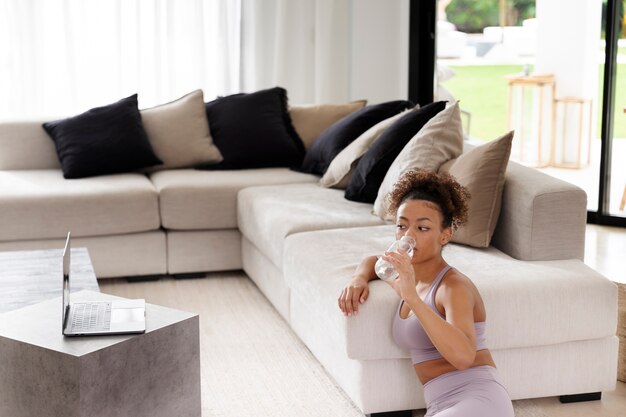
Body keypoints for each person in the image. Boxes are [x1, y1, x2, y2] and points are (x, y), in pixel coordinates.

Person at [337, 169, 513, 417]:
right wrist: (358, 278)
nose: (408, 236)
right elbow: (375, 262)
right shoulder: (405, 275)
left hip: (479, 402)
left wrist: (412, 298)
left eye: (422, 228)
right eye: (401, 226)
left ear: (445, 234)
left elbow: (463, 357)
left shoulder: (453, 287)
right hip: (439, 406)